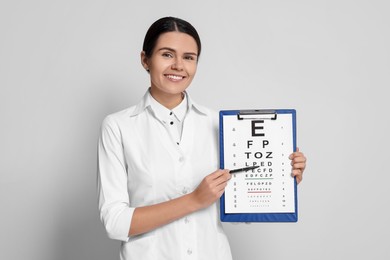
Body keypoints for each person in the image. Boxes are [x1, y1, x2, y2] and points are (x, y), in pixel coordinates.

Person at [97, 16, 307, 260]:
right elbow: (115, 222)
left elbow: (238, 208)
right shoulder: (118, 127)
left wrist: (280, 178)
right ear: (145, 59)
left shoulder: (220, 124)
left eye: (188, 57)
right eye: (167, 54)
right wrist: (194, 200)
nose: (178, 65)